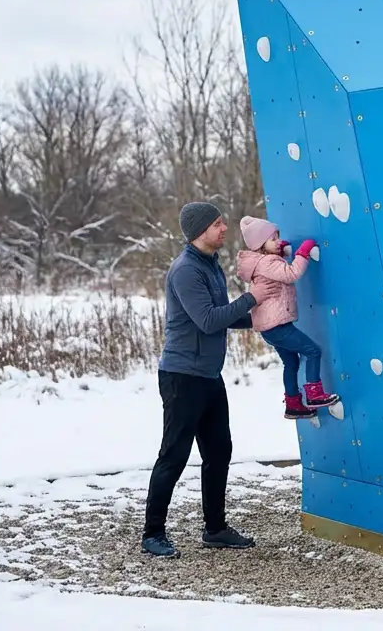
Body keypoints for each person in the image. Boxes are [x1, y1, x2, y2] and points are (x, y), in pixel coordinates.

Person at [141, 202, 261, 558]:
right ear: (199, 231)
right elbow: (209, 320)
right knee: (174, 455)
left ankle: (215, 528)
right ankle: (152, 533)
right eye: (217, 224)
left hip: (209, 375)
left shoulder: (211, 266)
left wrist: (265, 320)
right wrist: (254, 297)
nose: (224, 228)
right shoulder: (185, 271)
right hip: (182, 377)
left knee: (219, 451)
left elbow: (223, 317)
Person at [235, 215, 336, 419]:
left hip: (269, 328)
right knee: (313, 351)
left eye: (278, 237)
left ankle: (293, 404)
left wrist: (279, 251)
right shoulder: (267, 262)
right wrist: (302, 253)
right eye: (273, 239)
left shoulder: (260, 262)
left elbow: (276, 266)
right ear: (261, 245)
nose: (279, 242)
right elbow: (291, 274)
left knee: (291, 363)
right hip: (278, 326)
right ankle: (314, 394)